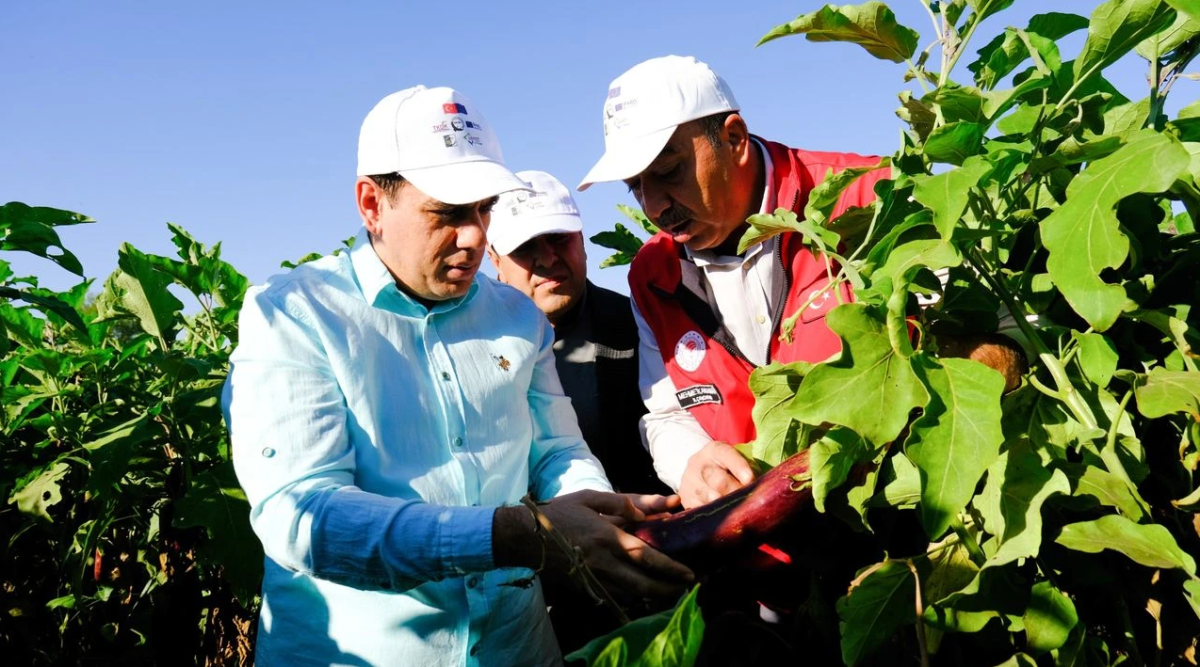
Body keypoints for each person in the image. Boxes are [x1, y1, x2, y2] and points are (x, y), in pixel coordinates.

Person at [223, 85, 692, 667]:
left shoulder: (517, 318)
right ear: (372, 204)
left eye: (483, 209)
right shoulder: (295, 315)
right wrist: (524, 533)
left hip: (514, 647)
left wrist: (588, 517)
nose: (475, 236)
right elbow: (301, 515)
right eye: (446, 213)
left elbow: (555, 450)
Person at [578, 55, 1023, 511]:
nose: (654, 206)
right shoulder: (653, 274)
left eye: (669, 172)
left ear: (734, 138)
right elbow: (666, 414)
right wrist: (692, 461)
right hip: (765, 551)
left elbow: (1005, 342)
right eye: (635, 185)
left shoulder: (874, 200)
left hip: (903, 516)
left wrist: (887, 420)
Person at [487, 170, 669, 496]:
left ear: (582, 239)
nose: (546, 258)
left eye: (559, 238)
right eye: (525, 246)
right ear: (495, 260)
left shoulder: (640, 325)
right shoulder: (474, 346)